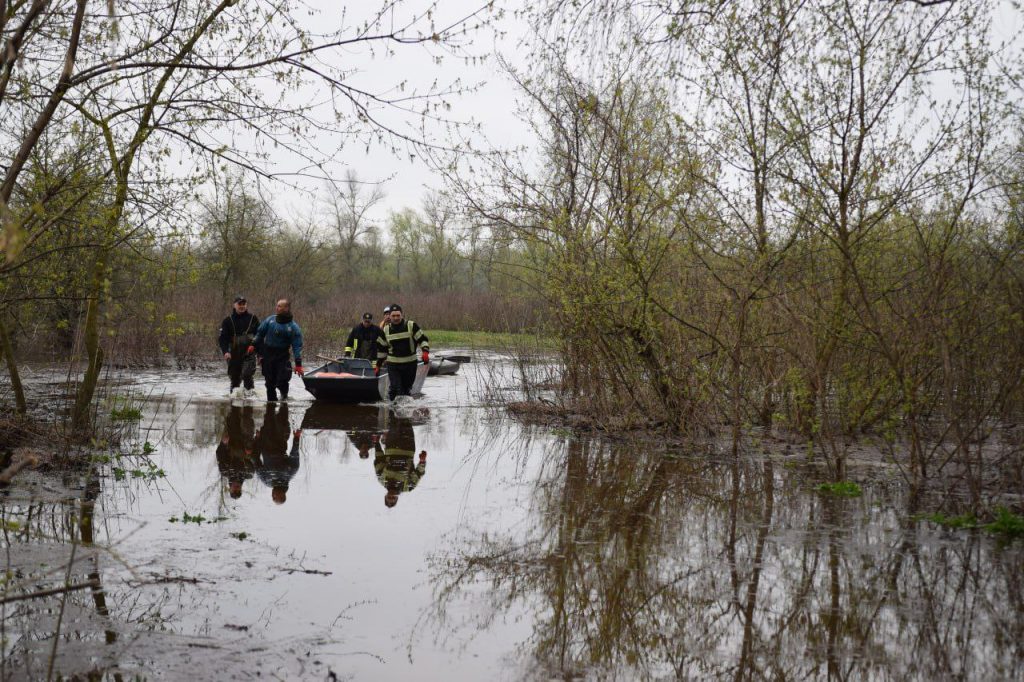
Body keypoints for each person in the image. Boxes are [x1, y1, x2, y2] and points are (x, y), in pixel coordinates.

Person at [252, 298, 304, 402]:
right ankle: (271, 405)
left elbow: (297, 346)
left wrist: (298, 364)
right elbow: (260, 334)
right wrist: (252, 345)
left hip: (282, 356)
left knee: (282, 380)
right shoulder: (270, 320)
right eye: (277, 306)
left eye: (280, 306)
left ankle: (284, 397)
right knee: (269, 382)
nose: (277, 308)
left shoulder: (293, 327)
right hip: (268, 354)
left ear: (286, 308)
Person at [376, 304, 429, 400]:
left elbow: (423, 339)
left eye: (398, 315)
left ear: (402, 315)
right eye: (393, 316)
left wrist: (425, 351)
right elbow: (382, 350)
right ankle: (392, 411)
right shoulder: (385, 330)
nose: (396, 318)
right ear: (389, 316)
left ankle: (405, 412)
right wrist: (378, 365)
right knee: (396, 388)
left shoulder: (411, 325)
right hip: (393, 365)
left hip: (410, 364)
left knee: (406, 390)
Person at [374, 413, 426, 508]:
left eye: (389, 498)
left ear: (385, 496)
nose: (391, 496)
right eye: (393, 499)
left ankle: (393, 401)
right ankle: (406, 402)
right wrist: (422, 461)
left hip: (391, 445)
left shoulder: (382, 480)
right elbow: (419, 473)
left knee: (393, 417)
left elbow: (379, 460)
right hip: (408, 447)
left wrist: (376, 443)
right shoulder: (408, 487)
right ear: (397, 498)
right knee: (406, 418)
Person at [255, 403, 301, 504]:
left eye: (273, 497)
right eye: (274, 497)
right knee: (282, 417)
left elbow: (256, 460)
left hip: (265, 440)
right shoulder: (290, 473)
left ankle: (271, 396)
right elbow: (294, 454)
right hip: (280, 441)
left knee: (270, 415)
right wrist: (296, 438)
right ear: (282, 495)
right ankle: (284, 397)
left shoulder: (266, 480)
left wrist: (257, 440)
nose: (272, 495)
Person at [217, 296, 260, 398]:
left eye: (244, 304)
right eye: (239, 304)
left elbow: (259, 336)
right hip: (234, 353)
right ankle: (233, 402)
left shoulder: (253, 318)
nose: (242, 306)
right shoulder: (227, 321)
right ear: (234, 305)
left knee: (246, 374)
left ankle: (250, 400)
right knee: (235, 379)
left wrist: (260, 354)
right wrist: (225, 352)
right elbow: (223, 339)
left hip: (249, 352)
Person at [215, 404, 258, 499]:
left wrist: (223, 443)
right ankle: (249, 396)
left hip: (232, 439)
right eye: (238, 490)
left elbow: (219, 454)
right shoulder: (249, 474)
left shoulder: (224, 471)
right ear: (241, 489)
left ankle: (235, 392)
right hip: (246, 441)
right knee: (247, 417)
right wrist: (257, 440)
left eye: (234, 490)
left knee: (234, 412)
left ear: (230, 488)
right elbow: (256, 458)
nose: (236, 488)